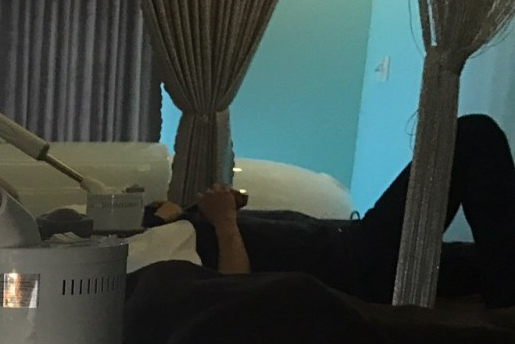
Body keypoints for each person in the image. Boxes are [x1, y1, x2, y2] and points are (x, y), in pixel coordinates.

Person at [149, 115, 515, 306]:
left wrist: (199, 211)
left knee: (479, 262)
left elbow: (165, 212)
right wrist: (225, 221)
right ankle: (506, 297)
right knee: (472, 135)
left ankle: (502, 287)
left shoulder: (151, 234)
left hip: (347, 243)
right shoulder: (152, 267)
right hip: (356, 264)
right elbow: (233, 297)